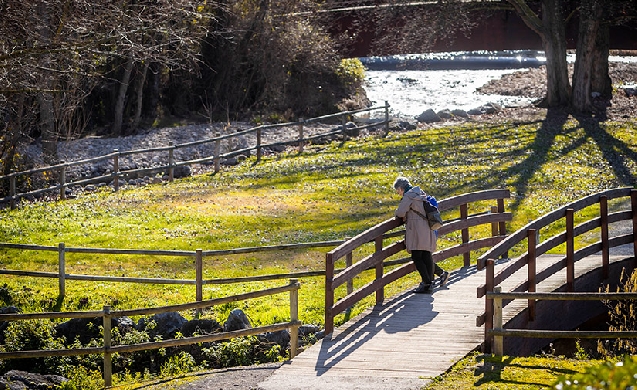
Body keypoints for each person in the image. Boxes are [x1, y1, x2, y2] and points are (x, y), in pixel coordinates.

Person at [393, 176, 449, 294]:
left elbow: (400, 212)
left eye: (398, 191)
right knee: (426, 255)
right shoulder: (420, 192)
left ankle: (427, 283)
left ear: (401, 188)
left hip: (416, 230)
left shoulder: (408, 196)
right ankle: (429, 282)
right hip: (427, 228)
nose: (398, 193)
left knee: (417, 257)